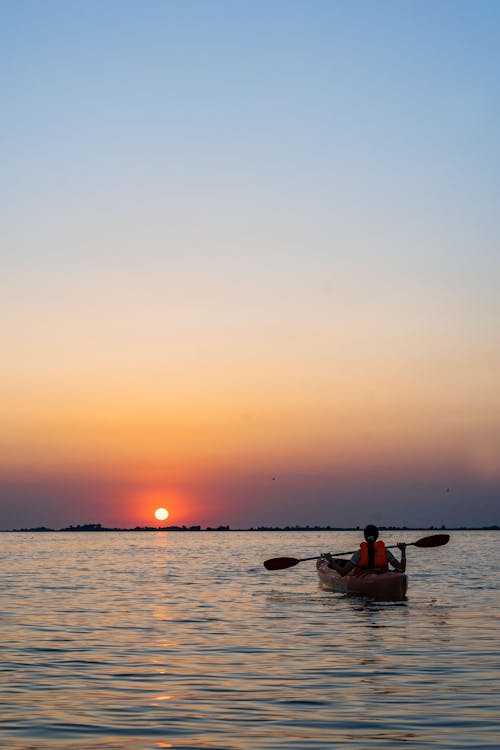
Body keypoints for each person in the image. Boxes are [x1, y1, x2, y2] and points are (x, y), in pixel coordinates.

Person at [325, 524, 406, 576]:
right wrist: (403, 551)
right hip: (382, 577)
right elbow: (402, 569)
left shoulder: (359, 554)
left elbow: (343, 572)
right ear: (377, 536)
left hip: (364, 579)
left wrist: (331, 561)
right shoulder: (386, 552)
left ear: (365, 537)